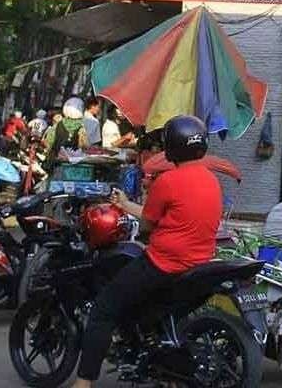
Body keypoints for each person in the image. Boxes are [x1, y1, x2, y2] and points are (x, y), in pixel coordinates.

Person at [72, 115, 222, 388]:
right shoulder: (212, 181)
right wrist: (127, 203)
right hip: (200, 264)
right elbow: (172, 217)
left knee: (103, 309)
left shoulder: (168, 181)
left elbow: (147, 224)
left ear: (171, 147)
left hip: (164, 264)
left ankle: (83, 383)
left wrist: (132, 214)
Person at [44, 97, 89, 161]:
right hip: (73, 162)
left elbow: (48, 142)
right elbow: (84, 147)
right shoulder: (81, 127)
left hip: (56, 160)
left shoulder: (57, 124)